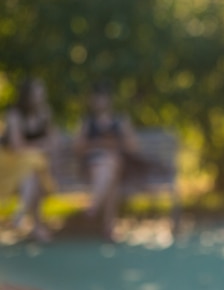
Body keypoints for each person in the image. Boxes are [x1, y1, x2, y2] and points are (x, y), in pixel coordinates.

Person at [73, 82, 138, 241]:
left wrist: (113, 144)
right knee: (109, 172)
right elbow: (77, 147)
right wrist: (99, 144)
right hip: (93, 167)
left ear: (109, 100)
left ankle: (94, 205)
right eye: (96, 98)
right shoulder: (87, 122)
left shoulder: (120, 120)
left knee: (110, 164)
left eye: (103, 98)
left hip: (118, 166)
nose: (99, 101)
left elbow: (133, 146)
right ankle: (108, 228)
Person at [0, 78, 58, 242]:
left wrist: (35, 147)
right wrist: (40, 146)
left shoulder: (45, 113)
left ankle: (22, 215)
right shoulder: (14, 115)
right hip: (9, 164)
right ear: (27, 96)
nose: (41, 96)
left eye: (42, 93)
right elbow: (17, 147)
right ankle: (35, 225)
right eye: (37, 93)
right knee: (34, 163)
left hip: (29, 167)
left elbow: (53, 141)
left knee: (33, 172)